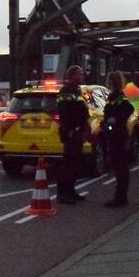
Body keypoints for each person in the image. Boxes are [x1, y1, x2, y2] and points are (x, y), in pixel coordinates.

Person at [56, 65, 89, 204]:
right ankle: (62, 193)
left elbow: (82, 109)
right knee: (68, 163)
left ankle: (71, 190)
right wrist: (70, 129)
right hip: (71, 131)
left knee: (75, 163)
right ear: (72, 76)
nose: (82, 76)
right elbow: (66, 111)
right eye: (79, 74)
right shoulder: (66, 91)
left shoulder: (77, 91)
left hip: (78, 130)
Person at [103, 71, 135, 207]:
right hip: (117, 134)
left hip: (117, 135)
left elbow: (129, 109)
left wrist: (115, 119)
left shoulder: (118, 96)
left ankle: (120, 197)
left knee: (120, 167)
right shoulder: (115, 96)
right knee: (120, 167)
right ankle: (121, 196)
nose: (108, 83)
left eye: (110, 81)